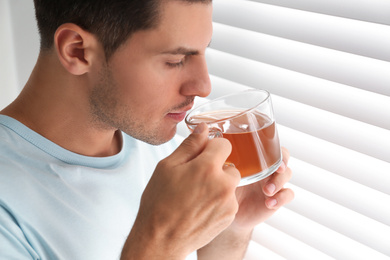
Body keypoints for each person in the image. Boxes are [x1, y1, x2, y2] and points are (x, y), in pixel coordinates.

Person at [0, 0, 294, 259]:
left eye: (203, 52)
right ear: (78, 51)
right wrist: (159, 244)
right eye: (175, 61)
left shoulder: (157, 141)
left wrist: (231, 226)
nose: (204, 86)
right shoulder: (7, 213)